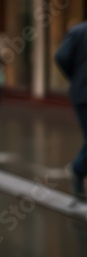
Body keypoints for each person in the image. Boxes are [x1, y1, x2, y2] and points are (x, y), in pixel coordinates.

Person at [55, 19, 87, 202]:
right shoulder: (79, 32)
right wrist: (75, 77)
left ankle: (78, 170)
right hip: (83, 95)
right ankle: (77, 169)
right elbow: (61, 56)